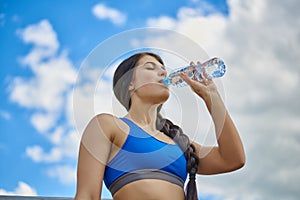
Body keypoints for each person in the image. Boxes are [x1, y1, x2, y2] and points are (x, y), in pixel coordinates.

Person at [75, 52, 246, 200]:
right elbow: (87, 195)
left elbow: (232, 159)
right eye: (150, 68)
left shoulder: (179, 142)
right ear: (129, 84)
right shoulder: (107, 125)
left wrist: (212, 98)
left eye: (163, 69)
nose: (163, 72)